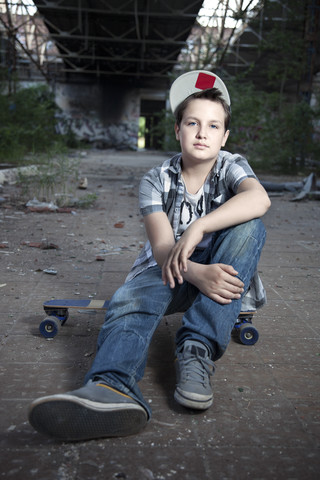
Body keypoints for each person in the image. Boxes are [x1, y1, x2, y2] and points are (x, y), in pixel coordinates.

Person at [28, 70, 271, 442]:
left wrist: (199, 227)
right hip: (168, 273)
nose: (202, 133)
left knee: (251, 225)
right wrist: (196, 272)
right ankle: (111, 387)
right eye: (192, 123)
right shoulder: (156, 179)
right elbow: (161, 250)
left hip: (222, 279)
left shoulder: (230, 166)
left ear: (224, 136)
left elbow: (259, 199)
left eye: (213, 126)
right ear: (177, 130)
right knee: (132, 300)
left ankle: (196, 349)